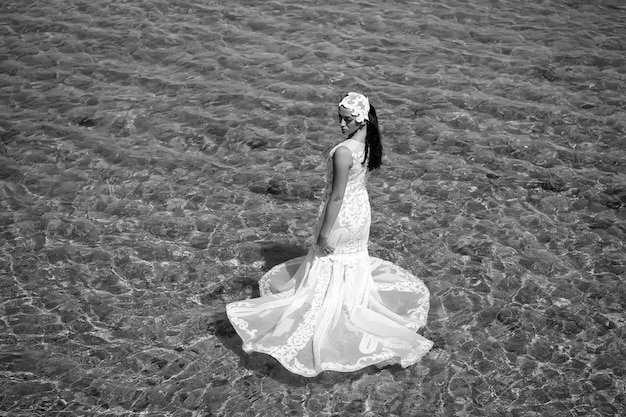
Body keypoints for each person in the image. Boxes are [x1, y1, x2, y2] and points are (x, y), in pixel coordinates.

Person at [226, 92, 433, 377]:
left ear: (361, 120)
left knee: (327, 256)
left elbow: (336, 198)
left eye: (347, 120)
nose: (342, 125)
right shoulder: (368, 146)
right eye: (341, 119)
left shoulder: (343, 152)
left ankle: (331, 309)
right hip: (361, 213)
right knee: (351, 259)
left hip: (344, 214)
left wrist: (324, 233)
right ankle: (350, 300)